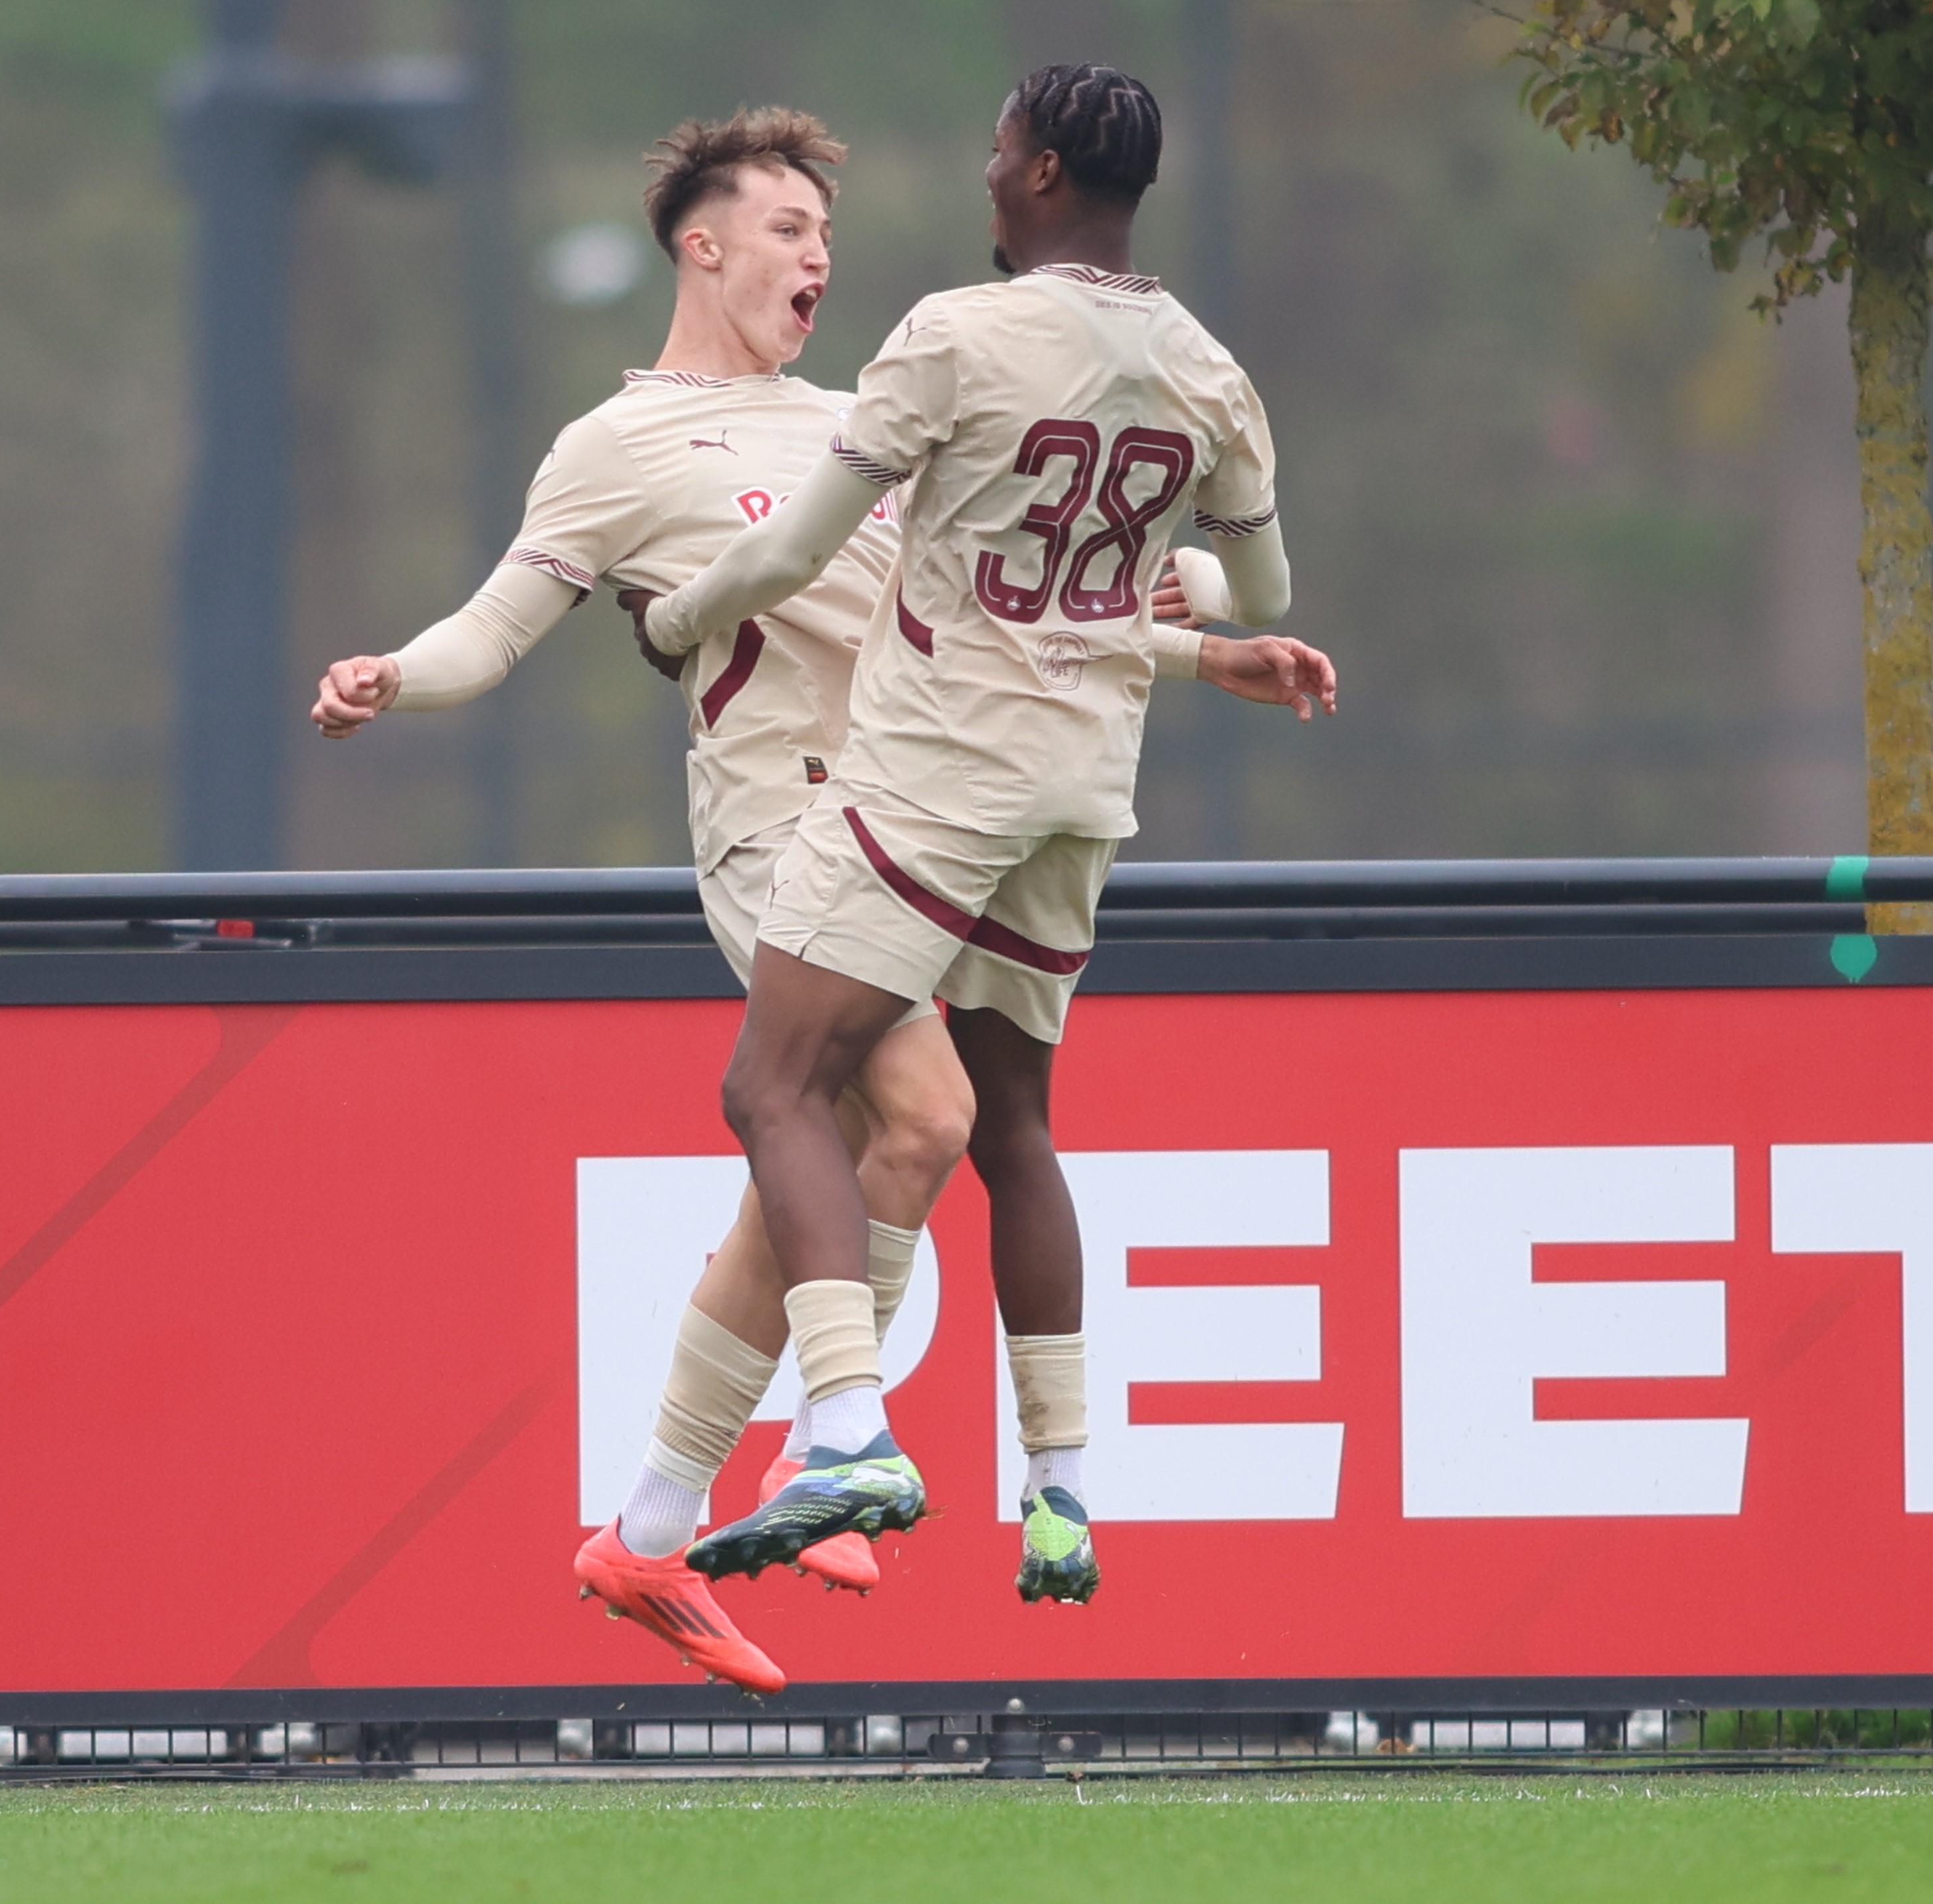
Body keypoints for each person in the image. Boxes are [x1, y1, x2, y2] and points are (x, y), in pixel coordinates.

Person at [311, 107, 1335, 1690]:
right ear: (699, 245)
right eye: (786, 226)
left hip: (916, 820)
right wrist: (395, 677)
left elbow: (1013, 608)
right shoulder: (616, 445)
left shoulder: (871, 412)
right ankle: (838, 1436)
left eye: (824, 230)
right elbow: (493, 629)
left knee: (806, 1180)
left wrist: (1210, 651)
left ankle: (651, 1525)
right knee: (917, 1119)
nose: (816, 253)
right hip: (775, 832)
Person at [632, 64, 1303, 1620]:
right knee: (1014, 1128)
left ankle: (849, 1431)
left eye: (999, 149)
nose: (984, 172)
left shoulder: (949, 336)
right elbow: (1257, 597)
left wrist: (675, 615)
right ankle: (1060, 1490)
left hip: (936, 782)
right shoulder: (1207, 371)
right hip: (1085, 794)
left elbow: (798, 548)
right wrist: (1146, 593)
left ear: (1046, 171)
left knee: (773, 1084)